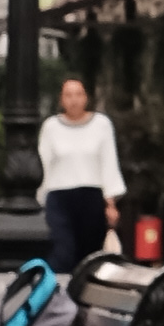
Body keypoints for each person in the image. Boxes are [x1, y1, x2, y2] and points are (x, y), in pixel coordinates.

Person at [38, 76, 126, 276]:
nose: (73, 100)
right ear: (61, 100)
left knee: (89, 257)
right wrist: (39, 200)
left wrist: (110, 203)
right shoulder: (51, 127)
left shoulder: (101, 125)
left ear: (86, 98)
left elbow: (109, 163)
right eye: (68, 95)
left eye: (78, 94)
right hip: (59, 197)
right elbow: (44, 164)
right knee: (62, 253)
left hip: (91, 197)